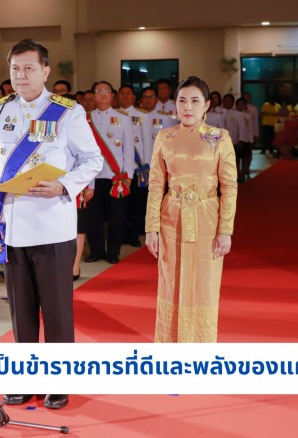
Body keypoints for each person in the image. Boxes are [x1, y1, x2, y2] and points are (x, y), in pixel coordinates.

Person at [0, 39, 102, 409]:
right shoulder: (0, 110)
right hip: (12, 227)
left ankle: (60, 381)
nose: (21, 75)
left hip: (51, 224)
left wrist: (65, 184)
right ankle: (23, 379)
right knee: (22, 309)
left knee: (56, 309)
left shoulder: (67, 112)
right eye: (15, 68)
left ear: (46, 71)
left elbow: (92, 160)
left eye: (29, 68)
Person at [145, 76, 237, 343]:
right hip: (171, 218)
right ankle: (170, 345)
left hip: (206, 218)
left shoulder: (219, 137)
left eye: (195, 101)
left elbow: (229, 186)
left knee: (204, 283)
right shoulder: (165, 136)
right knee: (170, 281)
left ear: (206, 105)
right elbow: (155, 184)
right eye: (182, 101)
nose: (188, 107)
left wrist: (225, 230)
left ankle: (199, 345)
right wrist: (151, 227)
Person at [85, 81, 134, 265]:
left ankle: (113, 252)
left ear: (113, 95)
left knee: (117, 217)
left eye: (107, 91)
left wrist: (128, 175)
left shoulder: (123, 118)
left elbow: (128, 149)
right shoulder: (86, 118)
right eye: (99, 91)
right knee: (93, 217)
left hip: (115, 176)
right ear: (94, 95)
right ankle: (97, 251)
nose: (103, 94)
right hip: (92, 177)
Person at [118, 84, 152, 248]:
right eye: (122, 93)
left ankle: (134, 234)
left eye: (128, 94)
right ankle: (122, 233)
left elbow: (147, 141)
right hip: (119, 168)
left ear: (133, 97)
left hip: (139, 166)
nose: (125, 96)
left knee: (138, 202)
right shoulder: (114, 114)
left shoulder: (141, 115)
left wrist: (147, 165)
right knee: (121, 203)